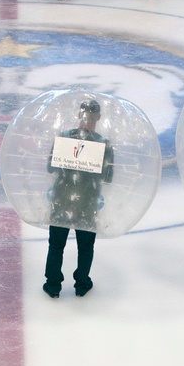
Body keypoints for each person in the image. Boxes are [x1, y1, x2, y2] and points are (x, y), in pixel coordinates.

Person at [43, 99, 114, 297]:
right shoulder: (104, 144)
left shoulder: (64, 138)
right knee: (85, 246)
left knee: (56, 245)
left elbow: (50, 167)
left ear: (79, 114)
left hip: (62, 199)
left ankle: (53, 285)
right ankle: (82, 284)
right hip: (87, 201)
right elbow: (108, 177)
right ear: (98, 117)